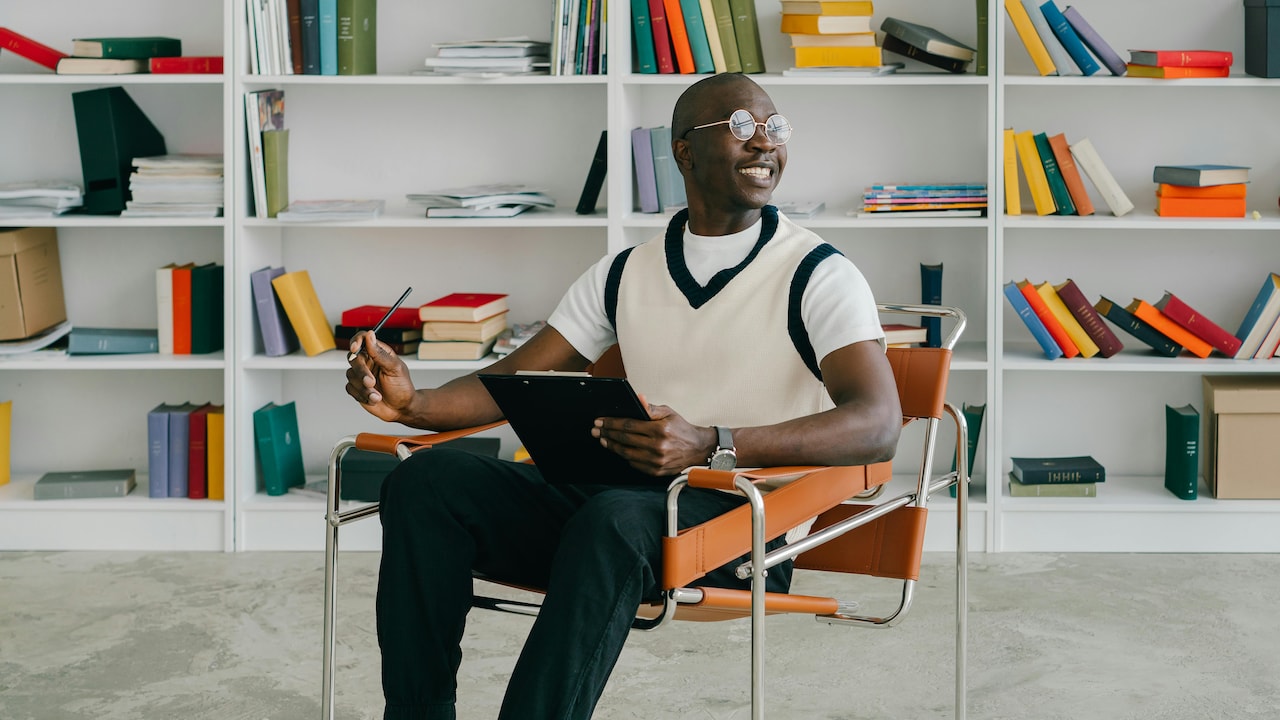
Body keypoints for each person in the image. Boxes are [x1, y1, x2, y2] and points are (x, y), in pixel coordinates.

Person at [345, 72, 902, 720]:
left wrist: (713, 443)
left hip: (744, 530)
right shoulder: (624, 272)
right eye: (743, 129)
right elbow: (516, 379)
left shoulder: (820, 275)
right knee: (425, 479)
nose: (764, 146)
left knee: (614, 519)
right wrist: (412, 404)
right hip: (612, 512)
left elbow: (878, 422)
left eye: (775, 129)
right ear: (685, 152)